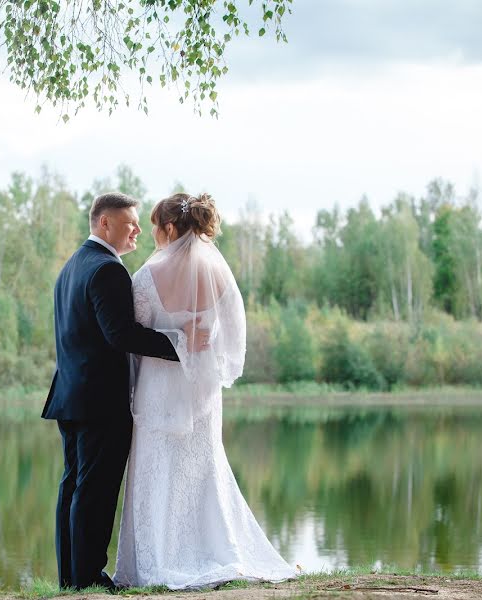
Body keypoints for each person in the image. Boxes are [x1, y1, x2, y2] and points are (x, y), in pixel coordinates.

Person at [113, 193, 297, 589]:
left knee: (155, 472)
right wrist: (200, 342)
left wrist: (168, 345)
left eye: (154, 226)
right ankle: (216, 551)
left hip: (159, 388)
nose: (150, 234)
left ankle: (155, 561)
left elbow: (136, 337)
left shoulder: (146, 277)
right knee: (201, 472)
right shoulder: (217, 273)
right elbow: (228, 337)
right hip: (202, 390)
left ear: (170, 228)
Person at [42, 192, 209, 591]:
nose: (137, 229)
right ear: (105, 224)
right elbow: (121, 334)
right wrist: (180, 343)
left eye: (138, 222)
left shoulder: (73, 266)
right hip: (100, 400)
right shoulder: (107, 270)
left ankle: (71, 576)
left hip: (71, 395)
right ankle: (86, 579)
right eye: (129, 222)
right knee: (94, 490)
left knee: (74, 486)